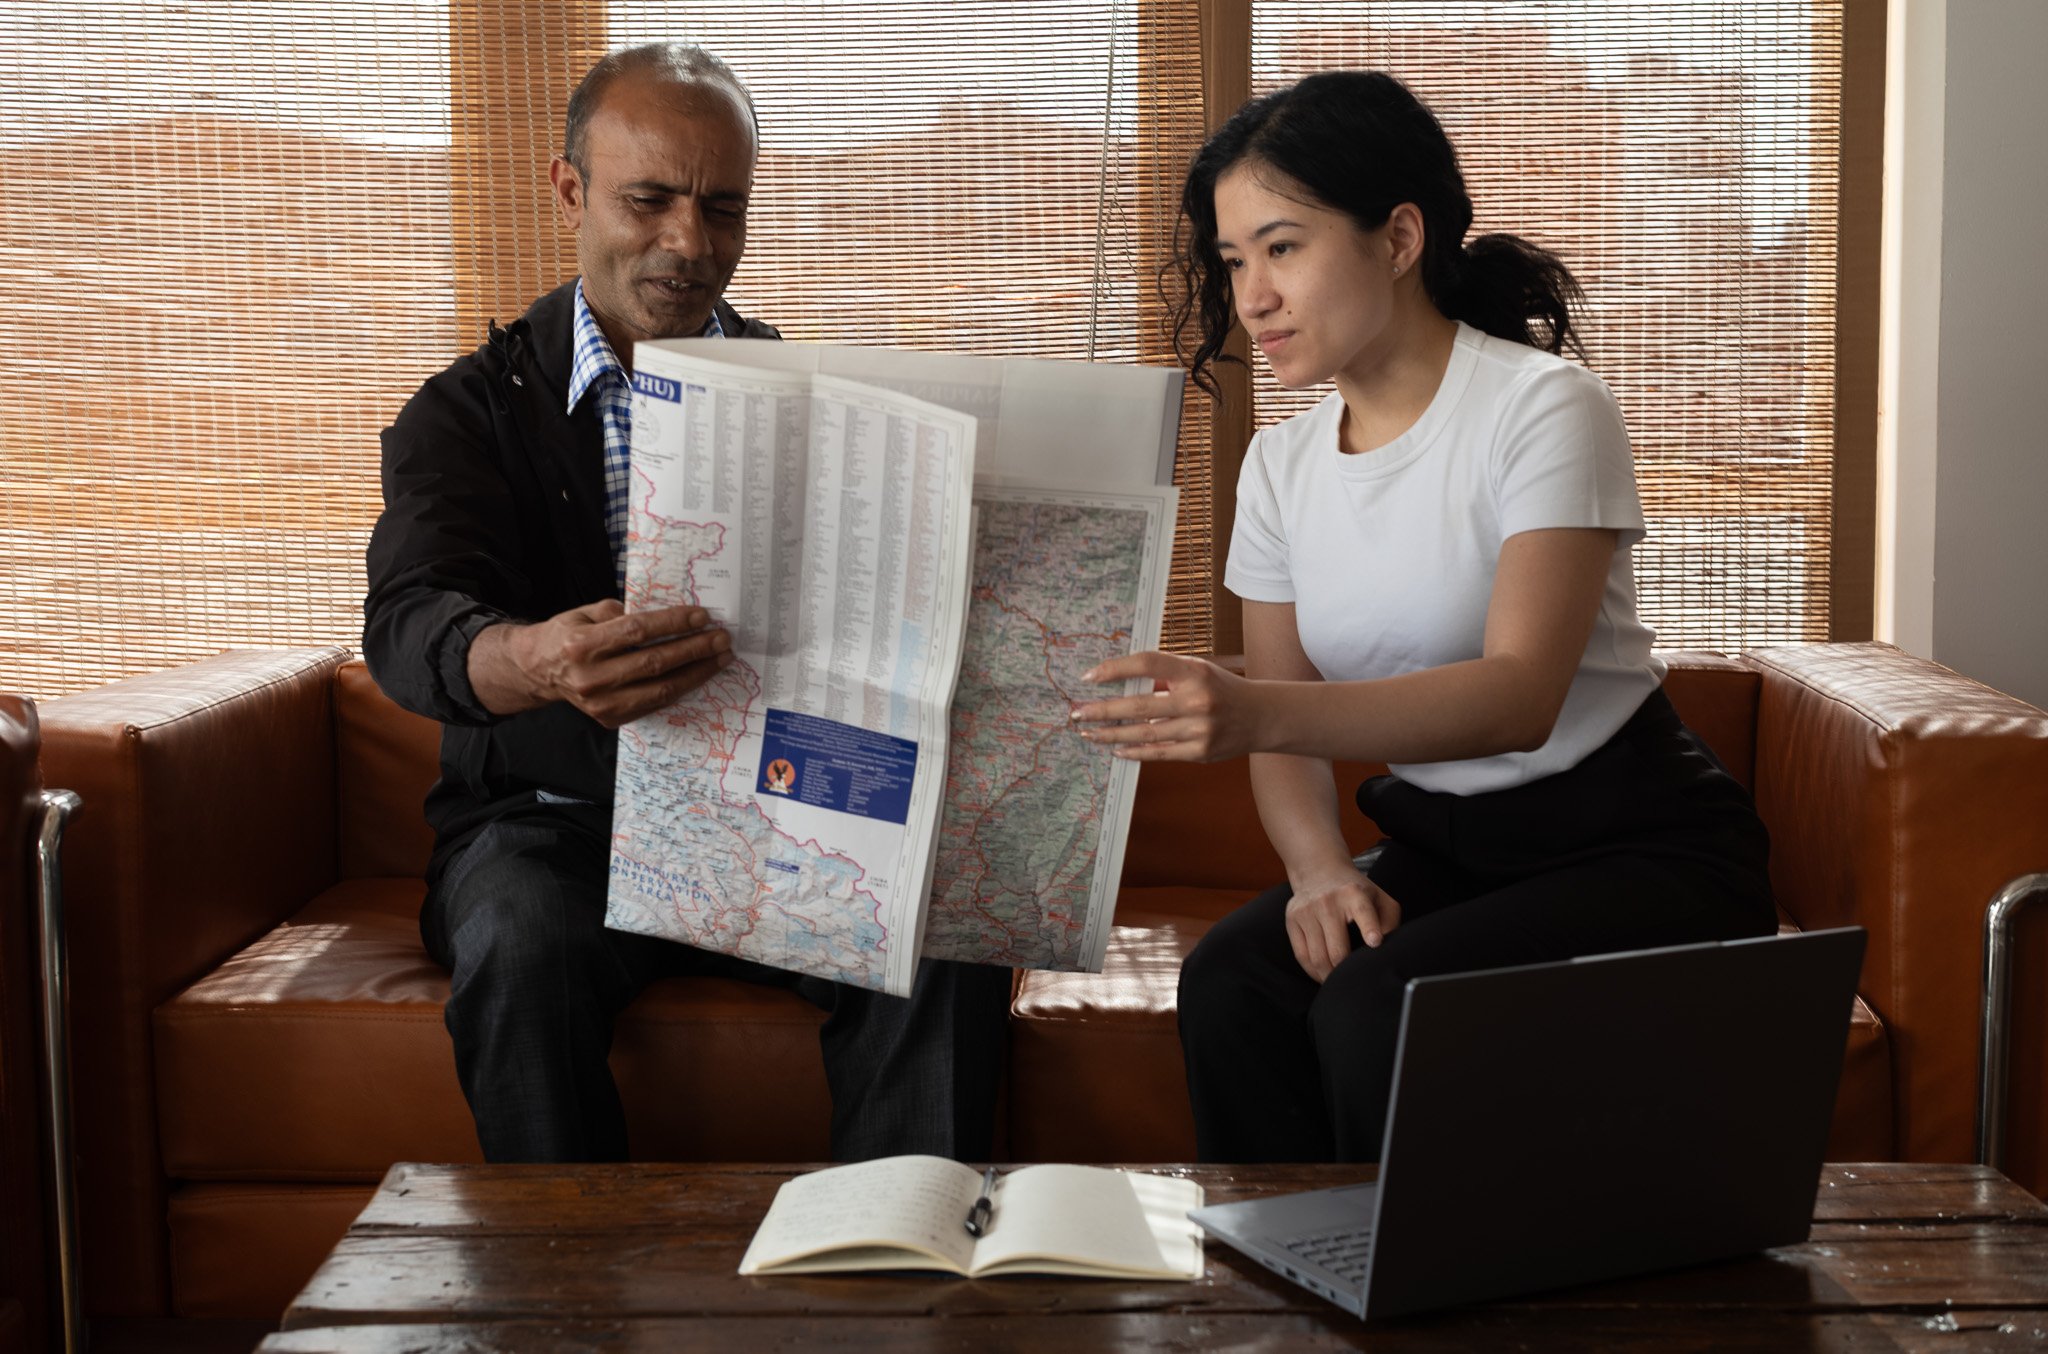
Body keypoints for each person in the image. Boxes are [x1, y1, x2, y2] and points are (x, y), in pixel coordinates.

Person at [1070, 70, 1777, 1163]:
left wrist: (1250, 712)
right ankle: (1277, 1300)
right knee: (1233, 978)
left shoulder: (1541, 409)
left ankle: (1388, 1311)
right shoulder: (1281, 463)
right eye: (1231, 260)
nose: (1250, 295)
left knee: (1373, 1005)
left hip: (1634, 845)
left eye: (1282, 247)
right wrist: (1316, 871)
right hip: (1454, 846)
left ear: (1398, 237)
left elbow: (1516, 697)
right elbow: (1287, 717)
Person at [363, 42, 1010, 1164]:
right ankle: (573, 1311)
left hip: (778, 821)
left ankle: (906, 1290)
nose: (689, 243)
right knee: (518, 940)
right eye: (649, 199)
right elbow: (410, 622)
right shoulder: (462, 415)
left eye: (723, 208)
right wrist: (531, 658)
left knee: (937, 938)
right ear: (568, 190)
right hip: (547, 835)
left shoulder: (824, 397)